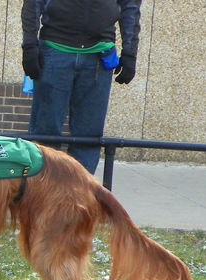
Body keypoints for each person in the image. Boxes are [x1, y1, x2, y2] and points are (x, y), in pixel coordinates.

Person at [21, 0, 142, 174]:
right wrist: (29, 45)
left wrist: (130, 52)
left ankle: (79, 197)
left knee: (88, 138)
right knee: (44, 135)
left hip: (98, 57)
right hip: (55, 50)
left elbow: (130, 6)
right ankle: (41, 195)